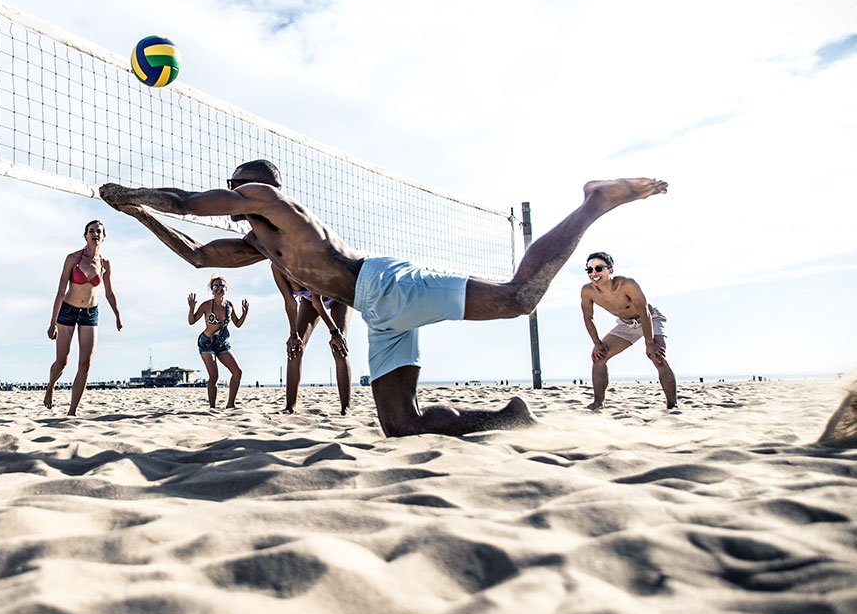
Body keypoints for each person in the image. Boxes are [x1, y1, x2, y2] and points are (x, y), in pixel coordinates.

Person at [99, 159, 668, 437]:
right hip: (379, 310)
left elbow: (193, 203)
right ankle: (506, 417)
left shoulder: (276, 206)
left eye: (238, 185)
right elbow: (198, 255)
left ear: (256, 187)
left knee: (519, 298)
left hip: (385, 284)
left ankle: (595, 201)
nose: (234, 193)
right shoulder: (259, 243)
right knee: (401, 425)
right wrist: (139, 212)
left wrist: (140, 191)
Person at [579, 251, 677, 410]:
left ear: (610, 270)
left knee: (657, 357)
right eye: (589, 270)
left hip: (650, 318)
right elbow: (588, 318)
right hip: (626, 324)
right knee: (598, 357)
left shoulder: (627, 285)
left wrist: (649, 343)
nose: (594, 273)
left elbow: (644, 312)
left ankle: (672, 405)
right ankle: (598, 403)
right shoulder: (587, 291)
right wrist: (597, 343)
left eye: (598, 268)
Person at [44, 220, 123, 416]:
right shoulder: (73, 258)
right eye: (91, 231)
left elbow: (109, 293)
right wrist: (52, 322)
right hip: (68, 310)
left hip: (90, 313)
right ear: (85, 235)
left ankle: (72, 411)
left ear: (103, 237)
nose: (95, 234)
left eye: (99, 232)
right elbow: (61, 291)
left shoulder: (105, 264)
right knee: (62, 362)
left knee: (85, 364)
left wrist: (117, 316)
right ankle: (51, 386)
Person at [273, 269, 351, 414]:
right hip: (310, 301)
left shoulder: (304, 259)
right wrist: (293, 334)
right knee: (295, 348)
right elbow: (290, 303)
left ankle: (345, 407)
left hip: (339, 294)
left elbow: (318, 302)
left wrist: (335, 333)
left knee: (339, 347)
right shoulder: (276, 267)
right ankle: (290, 407)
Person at [188, 275, 249, 409]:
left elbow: (238, 323)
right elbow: (192, 321)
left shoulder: (229, 305)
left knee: (237, 372)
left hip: (222, 343)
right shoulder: (206, 305)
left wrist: (245, 313)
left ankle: (230, 404)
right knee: (214, 376)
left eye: (222, 286)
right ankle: (212, 407)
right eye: (216, 286)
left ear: (226, 288)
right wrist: (191, 308)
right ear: (212, 289)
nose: (219, 289)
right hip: (206, 342)